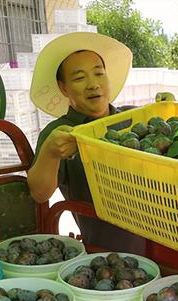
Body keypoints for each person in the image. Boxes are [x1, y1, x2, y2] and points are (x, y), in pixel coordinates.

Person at [27, 32, 146, 253]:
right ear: (64, 88)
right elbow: (39, 193)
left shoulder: (133, 119)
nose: (93, 85)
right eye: (80, 78)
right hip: (107, 255)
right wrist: (50, 153)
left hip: (166, 244)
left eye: (99, 74)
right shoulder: (58, 133)